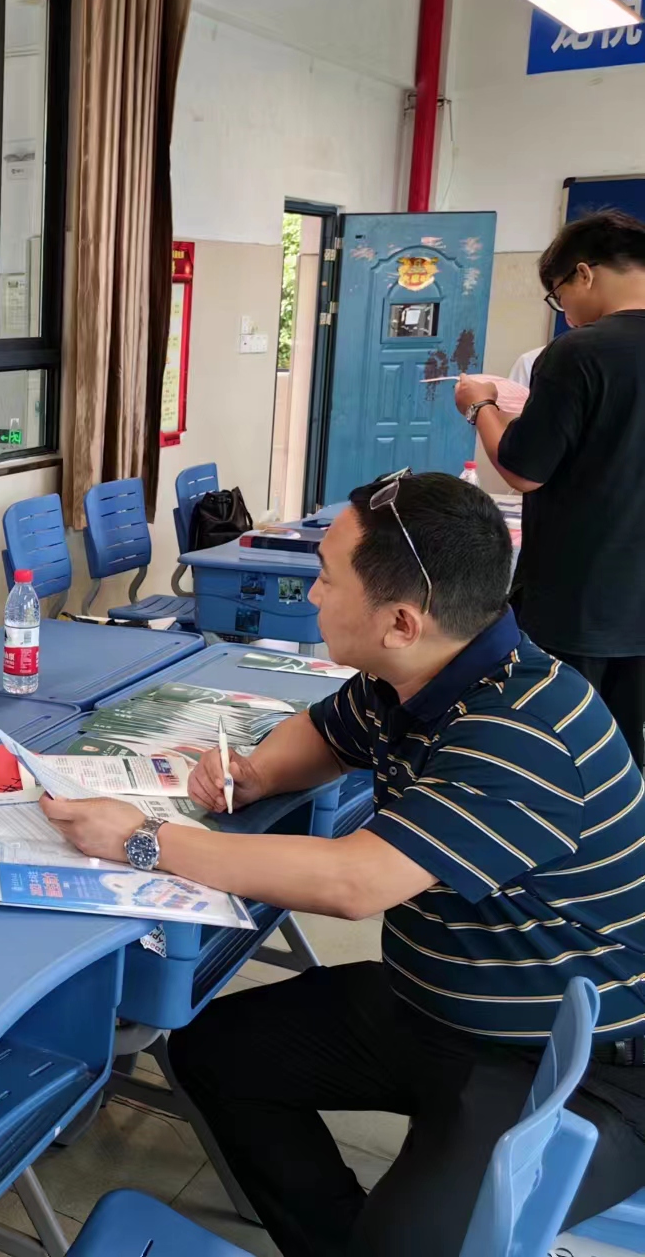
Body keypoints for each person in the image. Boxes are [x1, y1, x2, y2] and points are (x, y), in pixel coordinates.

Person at [41, 473, 645, 1257]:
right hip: (438, 1006)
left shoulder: (524, 731)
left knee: (408, 1246)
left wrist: (142, 838)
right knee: (214, 1051)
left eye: (327, 578)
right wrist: (256, 773)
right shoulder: (423, 672)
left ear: (400, 621)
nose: (313, 594)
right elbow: (328, 732)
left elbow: (355, 881)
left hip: (579, 1064)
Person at [456, 208, 645, 766]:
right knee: (621, 751)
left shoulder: (580, 351)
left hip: (580, 597)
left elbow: (523, 470)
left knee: (554, 746)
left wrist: (481, 406)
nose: (563, 310)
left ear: (583, 274)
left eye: (558, 294)